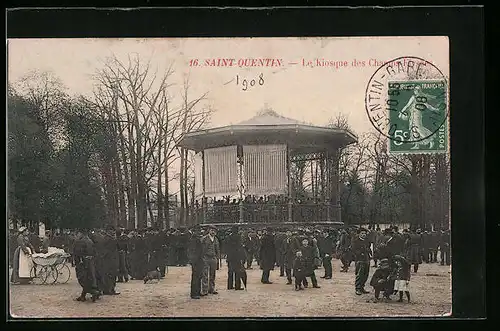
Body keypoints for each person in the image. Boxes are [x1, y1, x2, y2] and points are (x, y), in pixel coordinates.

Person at [73, 229, 100, 302]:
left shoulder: (80, 242)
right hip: (90, 262)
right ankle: (83, 296)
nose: (77, 235)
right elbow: (94, 251)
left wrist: (77, 262)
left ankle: (94, 292)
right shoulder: (90, 241)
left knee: (82, 279)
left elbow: (78, 253)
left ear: (81, 233)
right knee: (88, 279)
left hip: (83, 262)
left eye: (77, 233)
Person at [200, 225, 220, 296]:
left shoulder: (216, 239)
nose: (213, 232)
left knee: (213, 274)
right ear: (209, 230)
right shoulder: (204, 239)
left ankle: (211, 288)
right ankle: (204, 290)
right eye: (212, 230)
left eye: (214, 231)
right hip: (206, 257)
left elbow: (218, 250)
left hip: (213, 258)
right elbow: (201, 248)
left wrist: (218, 259)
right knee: (205, 274)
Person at [352, 228, 371, 295]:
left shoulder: (367, 241)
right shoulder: (356, 241)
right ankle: (358, 288)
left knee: (366, 274)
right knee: (360, 274)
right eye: (362, 233)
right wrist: (360, 253)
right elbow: (354, 250)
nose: (364, 235)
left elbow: (368, 248)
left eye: (365, 233)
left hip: (367, 259)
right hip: (360, 260)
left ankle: (362, 287)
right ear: (359, 234)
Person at [226, 226, 245, 290]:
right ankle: (237, 286)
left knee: (230, 272)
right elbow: (240, 247)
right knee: (237, 272)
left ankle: (229, 286)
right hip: (237, 257)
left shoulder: (228, 237)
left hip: (230, 257)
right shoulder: (238, 237)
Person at [188, 225, 204, 299]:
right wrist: (193, 260)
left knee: (199, 276)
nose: (200, 231)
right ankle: (194, 293)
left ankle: (197, 291)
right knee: (195, 277)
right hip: (196, 260)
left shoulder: (196, 238)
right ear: (195, 231)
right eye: (198, 230)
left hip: (199, 260)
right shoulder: (194, 239)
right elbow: (193, 251)